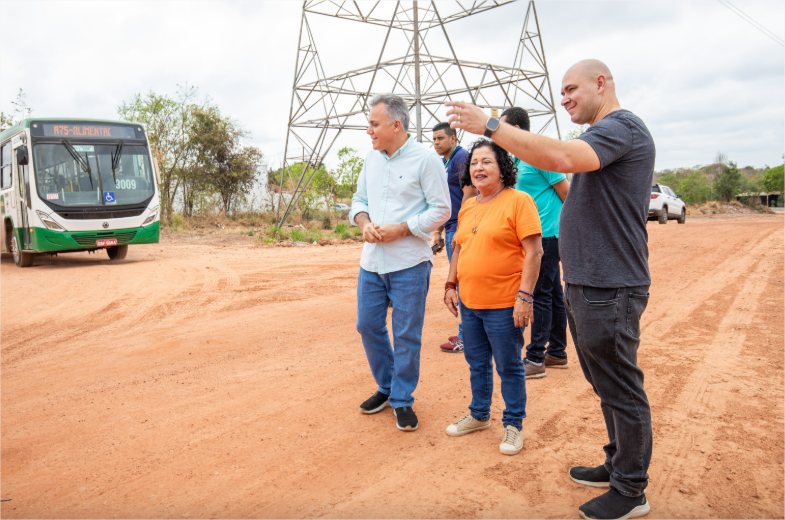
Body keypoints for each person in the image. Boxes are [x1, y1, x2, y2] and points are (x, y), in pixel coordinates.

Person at [446, 59, 655, 519]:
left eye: (571, 89)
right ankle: (616, 463)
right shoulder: (604, 134)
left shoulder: (623, 128)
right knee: (604, 383)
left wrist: (491, 125)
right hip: (588, 282)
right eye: (561, 92)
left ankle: (631, 489)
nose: (564, 99)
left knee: (620, 385)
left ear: (602, 83)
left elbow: (558, 158)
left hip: (612, 283)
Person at [350, 93, 451, 432]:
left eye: (374, 124)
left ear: (396, 124)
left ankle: (402, 398)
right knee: (367, 325)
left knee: (407, 334)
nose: (369, 130)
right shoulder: (371, 160)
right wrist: (364, 223)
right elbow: (359, 200)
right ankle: (387, 385)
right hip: (372, 263)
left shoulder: (426, 159)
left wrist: (403, 229)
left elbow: (442, 209)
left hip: (409, 262)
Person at [442, 139, 542, 456]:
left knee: (509, 365)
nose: (478, 168)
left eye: (486, 162)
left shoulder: (519, 201)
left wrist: (525, 297)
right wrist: (449, 283)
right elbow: (459, 246)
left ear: (503, 168)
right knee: (476, 362)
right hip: (470, 302)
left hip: (504, 303)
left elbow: (534, 251)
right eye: (474, 163)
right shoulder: (469, 205)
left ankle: (513, 425)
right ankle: (479, 414)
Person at [499, 107, 570, 379]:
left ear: (516, 127)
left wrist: (569, 230)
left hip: (548, 235)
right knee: (552, 293)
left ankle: (536, 357)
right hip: (532, 235)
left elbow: (566, 193)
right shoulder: (517, 159)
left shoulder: (539, 156)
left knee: (539, 293)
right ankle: (558, 352)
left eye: (503, 128)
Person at [430, 122, 473, 353]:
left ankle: (467, 337)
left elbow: (469, 192)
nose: (436, 143)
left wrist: (462, 227)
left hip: (458, 225)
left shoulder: (461, 158)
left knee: (462, 282)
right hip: (450, 224)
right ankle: (469, 333)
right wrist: (438, 230)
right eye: (434, 139)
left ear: (453, 138)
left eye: (440, 138)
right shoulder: (447, 161)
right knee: (462, 282)